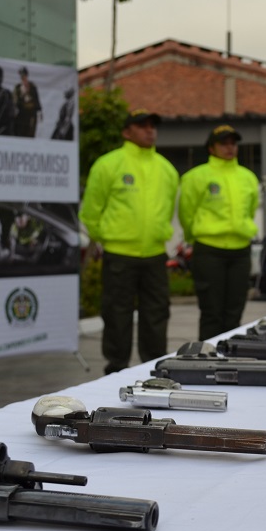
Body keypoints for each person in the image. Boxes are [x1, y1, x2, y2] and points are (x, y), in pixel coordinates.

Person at [79, 109, 179, 374]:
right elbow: (90, 211)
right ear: (126, 132)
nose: (150, 130)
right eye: (142, 126)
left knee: (157, 314)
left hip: (155, 254)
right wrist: (109, 237)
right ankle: (116, 368)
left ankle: (155, 368)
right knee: (117, 314)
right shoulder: (108, 164)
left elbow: (167, 211)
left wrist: (158, 235)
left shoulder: (167, 169)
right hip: (119, 253)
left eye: (153, 126)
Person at [178, 125, 259, 340]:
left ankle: (231, 358)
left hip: (240, 251)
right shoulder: (196, 177)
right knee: (211, 312)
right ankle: (207, 360)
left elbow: (250, 210)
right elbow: (186, 213)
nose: (229, 147)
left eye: (233, 143)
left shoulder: (248, 177)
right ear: (211, 148)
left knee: (234, 312)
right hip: (209, 250)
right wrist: (194, 237)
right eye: (223, 143)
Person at [13, 66, 42, 137]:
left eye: (24, 75)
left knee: (30, 134)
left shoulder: (32, 87)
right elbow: (15, 102)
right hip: (22, 114)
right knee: (20, 133)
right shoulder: (17, 88)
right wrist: (22, 94)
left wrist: (40, 111)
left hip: (31, 114)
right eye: (21, 75)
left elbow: (36, 99)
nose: (23, 77)